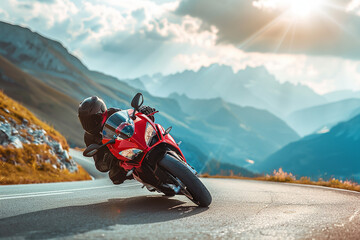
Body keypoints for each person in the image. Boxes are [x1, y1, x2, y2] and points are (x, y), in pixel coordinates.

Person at [78, 96, 155, 184]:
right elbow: (99, 165)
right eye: (86, 121)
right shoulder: (89, 137)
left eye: (93, 119)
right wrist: (107, 157)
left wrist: (143, 112)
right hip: (121, 156)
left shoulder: (113, 113)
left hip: (135, 141)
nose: (90, 124)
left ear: (102, 112)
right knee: (115, 177)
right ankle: (144, 178)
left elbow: (132, 118)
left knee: (152, 132)